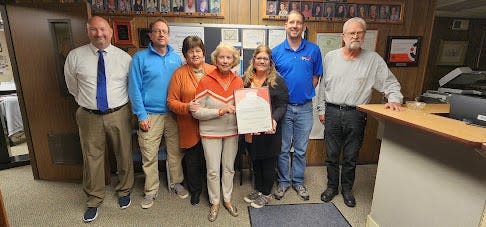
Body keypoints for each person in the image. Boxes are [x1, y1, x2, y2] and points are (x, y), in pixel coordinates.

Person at [317, 17, 404, 208]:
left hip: (356, 114)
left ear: (364, 35)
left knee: (350, 155)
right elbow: (323, 86)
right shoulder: (331, 57)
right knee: (331, 154)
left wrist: (394, 99)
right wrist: (321, 109)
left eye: (359, 32)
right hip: (332, 111)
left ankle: (347, 190)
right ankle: (332, 187)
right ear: (343, 36)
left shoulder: (373, 60)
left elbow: (390, 83)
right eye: (351, 33)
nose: (355, 36)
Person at [64, 16, 134, 223]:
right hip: (89, 115)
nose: (99, 34)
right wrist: (88, 103)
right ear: (88, 32)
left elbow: (130, 87)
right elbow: (72, 86)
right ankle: (94, 199)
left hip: (119, 112)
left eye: (102, 29)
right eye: (94, 30)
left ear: (111, 31)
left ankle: (124, 191)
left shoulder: (125, 58)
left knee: (124, 153)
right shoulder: (75, 56)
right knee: (92, 158)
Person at [128, 18, 187, 209]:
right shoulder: (139, 58)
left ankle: (176, 182)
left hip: (173, 114)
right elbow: (134, 88)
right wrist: (141, 115)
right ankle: (150, 190)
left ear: (169, 35)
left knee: (175, 152)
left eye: (165, 31)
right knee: (149, 154)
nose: (161, 34)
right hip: (150, 115)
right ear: (150, 35)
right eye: (157, 31)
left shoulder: (176, 58)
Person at [272, 11, 323, 201]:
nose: (294, 25)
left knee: (301, 149)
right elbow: (271, 80)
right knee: (283, 149)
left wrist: (303, 92)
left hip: (304, 108)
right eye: (291, 22)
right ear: (285, 25)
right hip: (283, 109)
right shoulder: (276, 52)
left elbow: (316, 77)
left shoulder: (314, 50)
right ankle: (284, 182)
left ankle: (298, 182)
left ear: (303, 26)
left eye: (298, 23)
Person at [191, 43, 244, 222]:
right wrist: (219, 111)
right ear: (215, 59)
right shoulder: (205, 80)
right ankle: (215, 202)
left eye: (229, 57)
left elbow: (243, 108)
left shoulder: (239, 81)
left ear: (234, 60)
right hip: (210, 132)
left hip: (232, 132)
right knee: (213, 170)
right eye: (221, 57)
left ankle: (227, 199)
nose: (225, 60)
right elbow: (196, 112)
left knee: (229, 168)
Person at [167, 36, 216, 206]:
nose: (194, 54)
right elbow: (171, 102)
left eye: (197, 50)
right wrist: (187, 107)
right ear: (185, 54)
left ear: (203, 52)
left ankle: (212, 192)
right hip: (189, 126)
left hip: (212, 125)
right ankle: (195, 191)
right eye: (190, 51)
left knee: (211, 161)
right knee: (193, 161)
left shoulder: (213, 70)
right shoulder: (179, 74)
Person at [242, 46, 288, 209]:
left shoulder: (278, 81)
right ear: (253, 60)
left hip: (270, 130)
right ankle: (259, 190)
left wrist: (274, 120)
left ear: (270, 62)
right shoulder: (245, 79)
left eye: (265, 59)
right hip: (251, 131)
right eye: (259, 58)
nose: (261, 61)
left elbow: (282, 105)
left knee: (268, 162)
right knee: (256, 161)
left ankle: (267, 194)